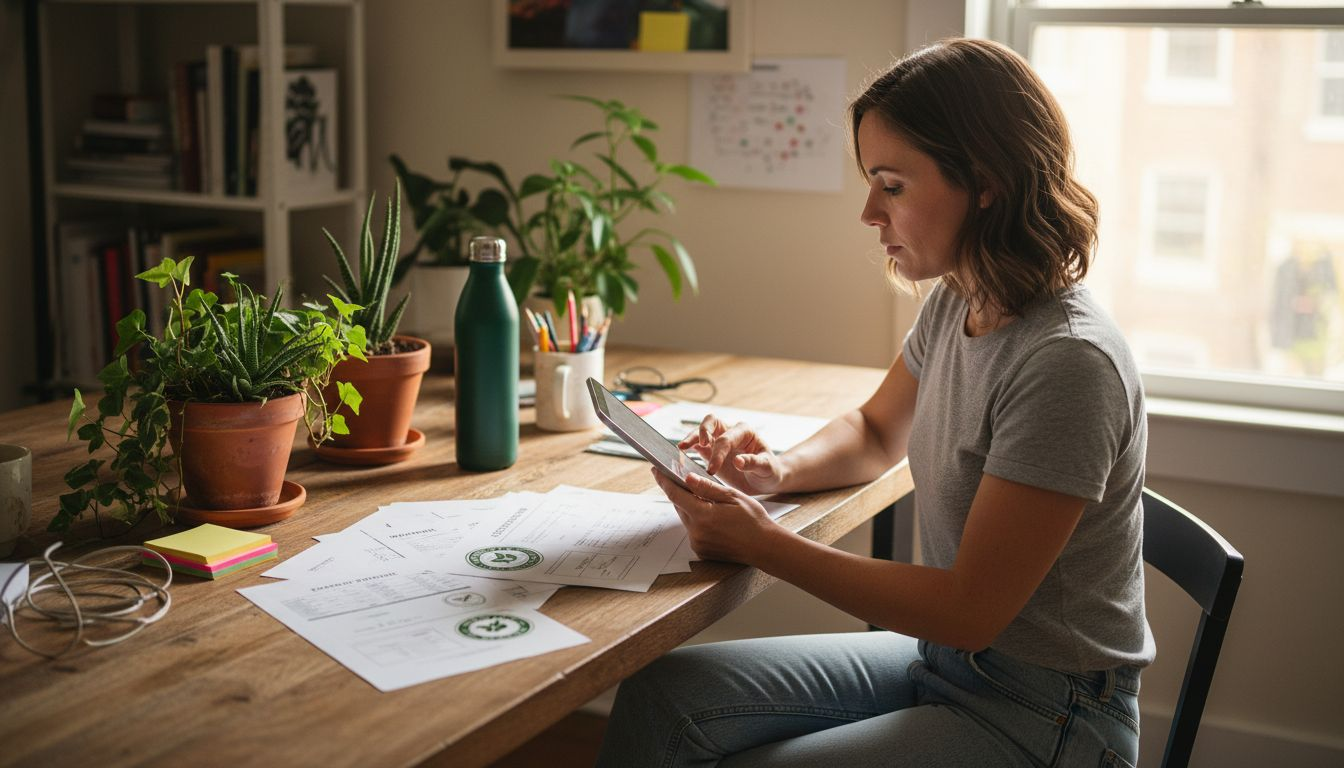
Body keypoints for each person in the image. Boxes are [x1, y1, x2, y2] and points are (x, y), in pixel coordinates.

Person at [595, 37, 1152, 768]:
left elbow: (970, 610)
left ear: (984, 181)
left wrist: (763, 543)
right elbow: (874, 430)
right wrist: (775, 472)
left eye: (891, 185)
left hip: (1049, 714)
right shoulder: (961, 300)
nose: (867, 211)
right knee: (662, 696)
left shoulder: (1068, 362)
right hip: (948, 662)